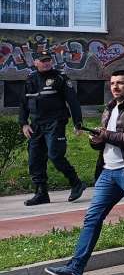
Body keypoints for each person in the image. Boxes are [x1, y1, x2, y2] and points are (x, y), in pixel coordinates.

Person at [44, 70, 124, 275]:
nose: (115, 87)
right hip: (108, 171)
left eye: (121, 83)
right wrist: (96, 140)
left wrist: (107, 135)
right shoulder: (109, 108)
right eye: (113, 83)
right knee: (92, 217)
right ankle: (76, 267)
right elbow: (104, 142)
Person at [20, 50, 86, 206]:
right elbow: (23, 104)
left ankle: (76, 183)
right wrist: (23, 123)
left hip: (55, 122)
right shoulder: (30, 80)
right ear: (35, 62)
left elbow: (73, 101)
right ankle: (41, 193)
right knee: (34, 159)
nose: (47, 62)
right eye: (43, 60)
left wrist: (78, 123)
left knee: (55, 155)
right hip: (36, 125)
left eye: (48, 59)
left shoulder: (60, 78)